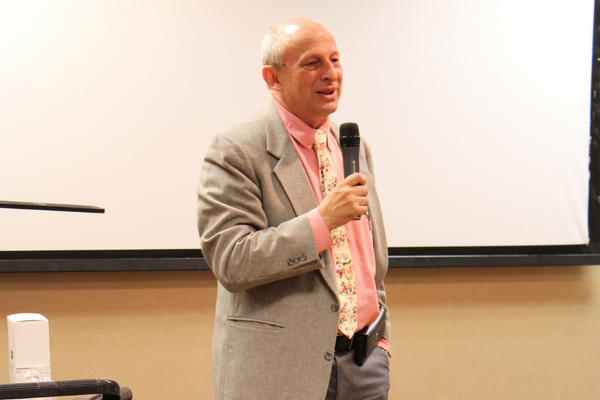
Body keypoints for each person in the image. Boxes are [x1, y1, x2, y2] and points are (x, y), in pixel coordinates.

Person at [197, 18, 390, 400]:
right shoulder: (237, 150)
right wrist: (321, 221)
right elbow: (232, 260)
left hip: (366, 364)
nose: (330, 73)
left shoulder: (352, 145)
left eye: (335, 60)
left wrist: (380, 337)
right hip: (279, 371)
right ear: (273, 78)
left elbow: (367, 258)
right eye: (312, 63)